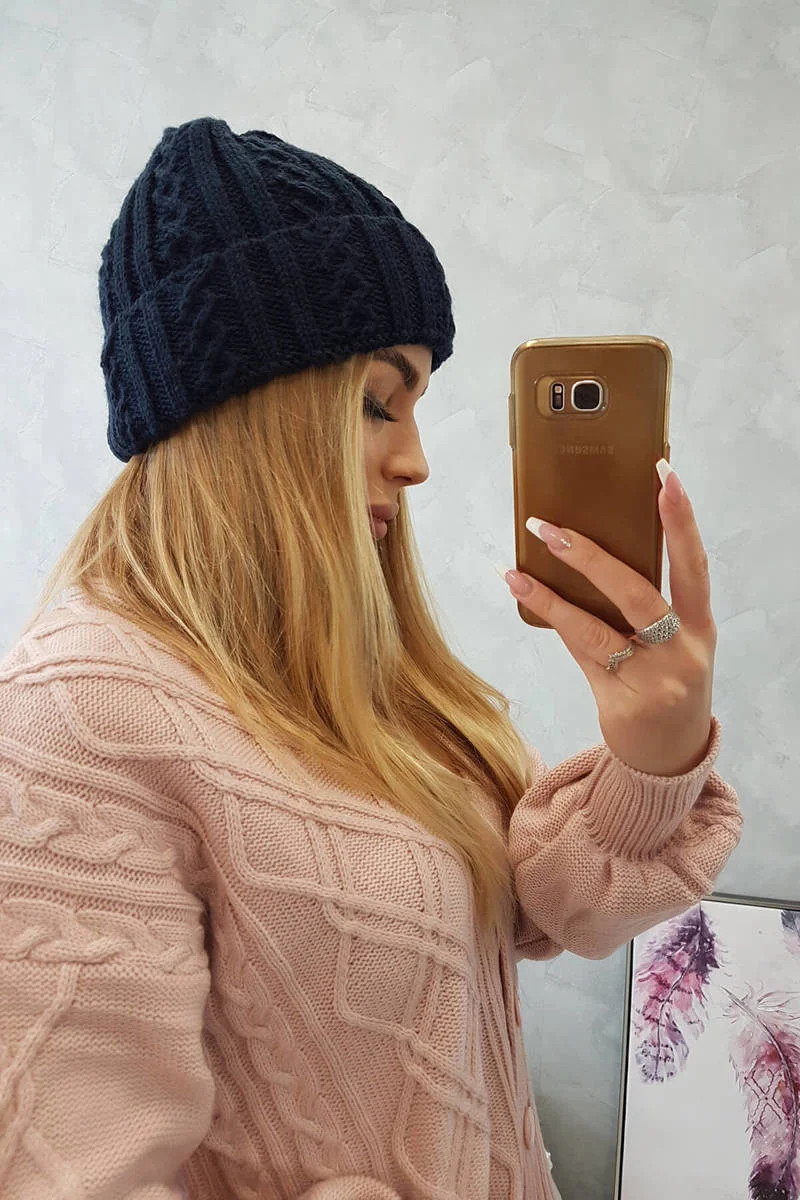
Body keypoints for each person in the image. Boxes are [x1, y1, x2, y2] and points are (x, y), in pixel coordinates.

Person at [0, 117, 742, 1200]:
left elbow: (553, 907)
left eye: (417, 407)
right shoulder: (71, 724)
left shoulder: (350, 681)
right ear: (239, 409)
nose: (417, 461)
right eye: (374, 402)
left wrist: (651, 755)